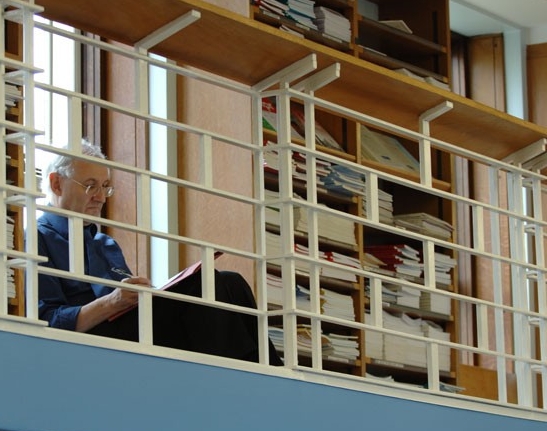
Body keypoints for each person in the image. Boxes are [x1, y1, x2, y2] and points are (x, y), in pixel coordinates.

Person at [36, 140, 282, 365]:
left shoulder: (105, 243)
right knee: (206, 286)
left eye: (106, 187)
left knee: (230, 282)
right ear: (56, 183)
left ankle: (270, 376)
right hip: (89, 340)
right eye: (90, 186)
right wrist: (112, 302)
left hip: (133, 329)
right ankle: (236, 381)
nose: (100, 197)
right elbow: (49, 319)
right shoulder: (38, 237)